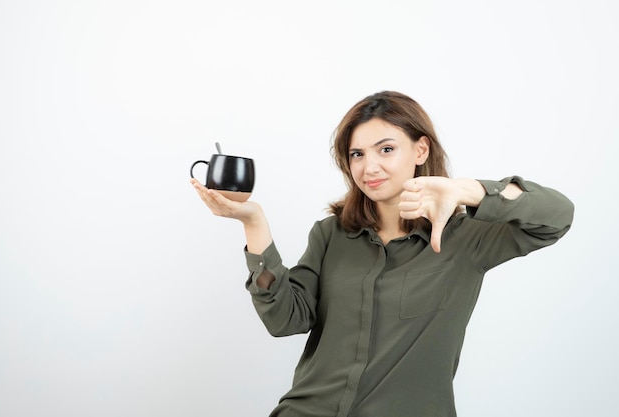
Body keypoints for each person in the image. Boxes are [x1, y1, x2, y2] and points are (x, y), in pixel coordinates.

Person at [190, 91, 574, 417]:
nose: (368, 166)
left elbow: (556, 216)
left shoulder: (466, 238)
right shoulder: (331, 234)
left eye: (386, 149)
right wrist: (253, 222)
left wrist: (467, 190)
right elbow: (285, 319)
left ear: (420, 149)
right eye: (357, 154)